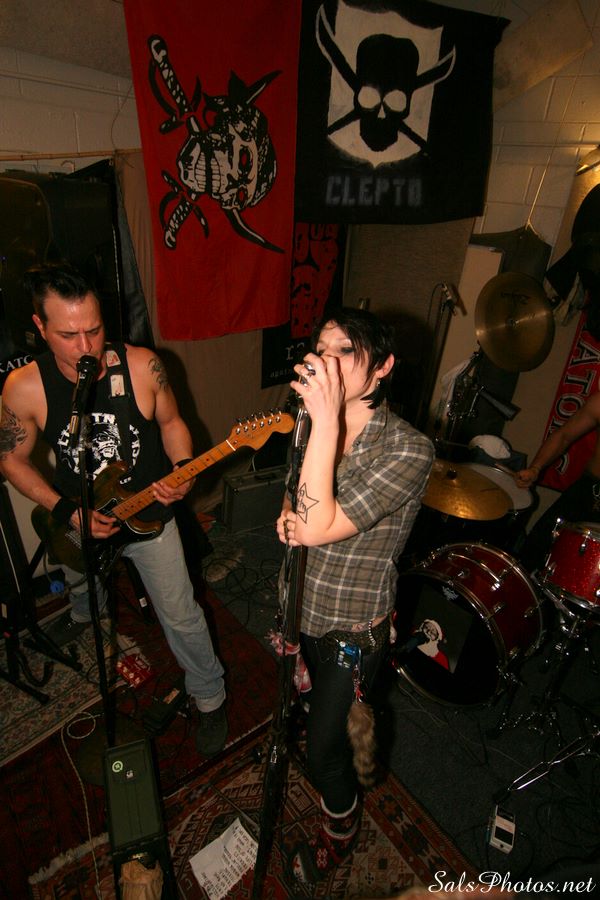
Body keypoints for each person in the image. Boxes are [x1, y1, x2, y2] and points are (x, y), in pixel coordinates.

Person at [0, 262, 227, 756]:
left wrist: (183, 468)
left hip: (149, 518)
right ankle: (85, 612)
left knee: (181, 616)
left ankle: (210, 695)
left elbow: (172, 423)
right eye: (68, 334)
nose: (86, 347)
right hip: (79, 517)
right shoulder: (24, 387)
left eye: (95, 329)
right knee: (79, 575)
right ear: (40, 326)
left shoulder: (143, 366)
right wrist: (66, 509)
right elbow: (10, 459)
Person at [275, 307, 434, 884]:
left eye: (346, 350)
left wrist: (323, 422)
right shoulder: (310, 423)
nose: (327, 362)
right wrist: (287, 513)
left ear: (383, 366)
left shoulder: (408, 449)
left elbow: (320, 526)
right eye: (322, 349)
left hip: (351, 625)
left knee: (324, 752)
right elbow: (297, 499)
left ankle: (339, 832)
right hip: (300, 606)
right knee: (302, 712)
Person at [515, 391, 600, 573]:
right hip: (586, 491)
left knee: (583, 575)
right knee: (534, 551)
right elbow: (564, 436)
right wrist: (536, 468)